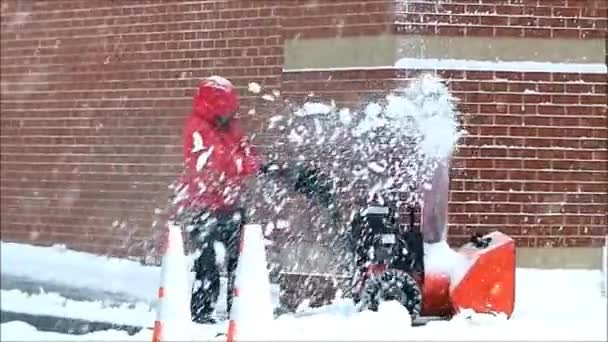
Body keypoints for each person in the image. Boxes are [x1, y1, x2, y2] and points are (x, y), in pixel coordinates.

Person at [174, 76, 260, 324]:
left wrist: (252, 161)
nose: (232, 111)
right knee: (207, 263)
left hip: (231, 205)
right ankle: (202, 313)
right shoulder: (197, 128)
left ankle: (239, 311)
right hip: (204, 207)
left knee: (239, 263)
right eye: (227, 105)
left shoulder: (231, 126)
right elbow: (215, 163)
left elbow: (245, 152)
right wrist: (245, 164)